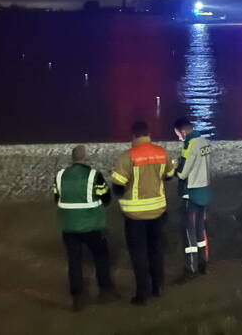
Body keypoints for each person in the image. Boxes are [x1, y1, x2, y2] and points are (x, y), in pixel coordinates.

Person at [110, 121, 177, 305]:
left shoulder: (127, 157)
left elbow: (117, 187)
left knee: (139, 254)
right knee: (156, 250)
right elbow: (170, 176)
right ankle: (158, 286)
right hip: (158, 212)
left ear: (133, 136)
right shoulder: (161, 153)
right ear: (148, 134)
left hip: (135, 216)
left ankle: (142, 293)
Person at [52, 145, 119, 311]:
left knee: (74, 262)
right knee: (101, 256)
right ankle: (105, 290)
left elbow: (56, 197)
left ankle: (77, 297)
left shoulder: (60, 176)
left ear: (72, 158)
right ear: (85, 158)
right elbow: (106, 197)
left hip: (69, 226)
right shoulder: (93, 175)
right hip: (92, 226)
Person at [172, 117, 211, 281]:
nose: (179, 138)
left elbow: (183, 173)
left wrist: (175, 167)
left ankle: (191, 268)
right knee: (201, 228)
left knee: (190, 232)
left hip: (191, 193)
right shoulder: (205, 141)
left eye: (178, 135)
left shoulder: (189, 145)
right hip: (204, 191)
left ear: (183, 131)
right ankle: (204, 264)